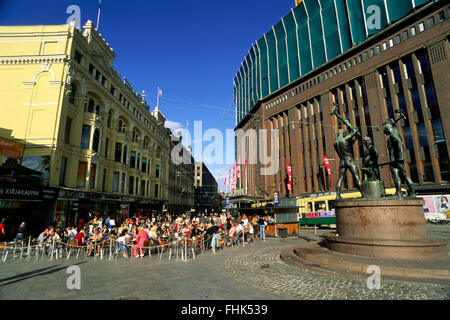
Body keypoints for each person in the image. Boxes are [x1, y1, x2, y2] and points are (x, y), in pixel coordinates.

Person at [330, 106, 366, 199]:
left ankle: (337, 195)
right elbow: (355, 131)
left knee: (340, 178)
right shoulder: (345, 140)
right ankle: (363, 194)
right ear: (342, 133)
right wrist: (348, 124)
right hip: (349, 160)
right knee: (356, 177)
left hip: (342, 161)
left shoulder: (335, 143)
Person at [383, 121, 415, 197]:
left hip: (397, 160)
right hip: (393, 160)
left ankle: (412, 192)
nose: (384, 132)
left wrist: (401, 157)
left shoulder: (394, 135)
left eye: (384, 130)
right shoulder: (391, 136)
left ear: (387, 128)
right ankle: (398, 192)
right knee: (396, 177)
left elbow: (400, 144)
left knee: (405, 176)